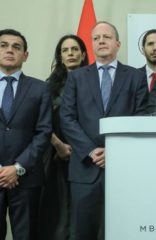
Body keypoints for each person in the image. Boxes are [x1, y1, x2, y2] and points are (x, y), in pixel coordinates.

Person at [60, 21, 148, 240]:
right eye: (96, 38)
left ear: (117, 43)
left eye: (106, 37)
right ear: (91, 45)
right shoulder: (77, 77)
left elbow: (141, 117)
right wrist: (91, 151)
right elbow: (67, 118)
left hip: (123, 169)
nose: (101, 41)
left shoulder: (135, 76)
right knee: (83, 231)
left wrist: (115, 151)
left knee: (122, 231)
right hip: (85, 168)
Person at [0, 29, 52, 239]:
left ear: (25, 55)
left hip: (27, 178)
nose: (10, 50)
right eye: (3, 45)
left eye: (16, 47)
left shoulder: (40, 88)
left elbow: (44, 132)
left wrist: (17, 168)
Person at [39, 34, 88, 240]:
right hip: (55, 156)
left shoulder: (93, 82)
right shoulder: (48, 87)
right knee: (59, 210)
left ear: (83, 54)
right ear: (60, 56)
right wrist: (59, 145)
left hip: (87, 155)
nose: (71, 53)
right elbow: (41, 122)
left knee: (84, 208)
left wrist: (82, 148)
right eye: (66, 50)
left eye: (75, 49)